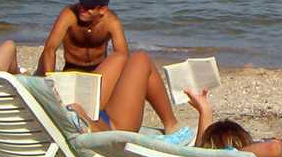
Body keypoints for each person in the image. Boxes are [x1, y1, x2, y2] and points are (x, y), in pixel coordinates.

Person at [63, 50, 193, 145]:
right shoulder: (74, 118)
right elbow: (93, 136)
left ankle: (171, 123)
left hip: (95, 114)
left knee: (120, 57)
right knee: (141, 59)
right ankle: (171, 125)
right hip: (112, 131)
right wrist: (82, 117)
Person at [36, 0, 128, 75]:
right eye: (82, 3)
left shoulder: (111, 21)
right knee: (44, 56)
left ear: (102, 10)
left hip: (99, 68)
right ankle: (39, 76)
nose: (83, 9)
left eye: (89, 6)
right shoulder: (69, 15)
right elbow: (50, 49)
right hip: (72, 68)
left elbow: (122, 54)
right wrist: (50, 79)